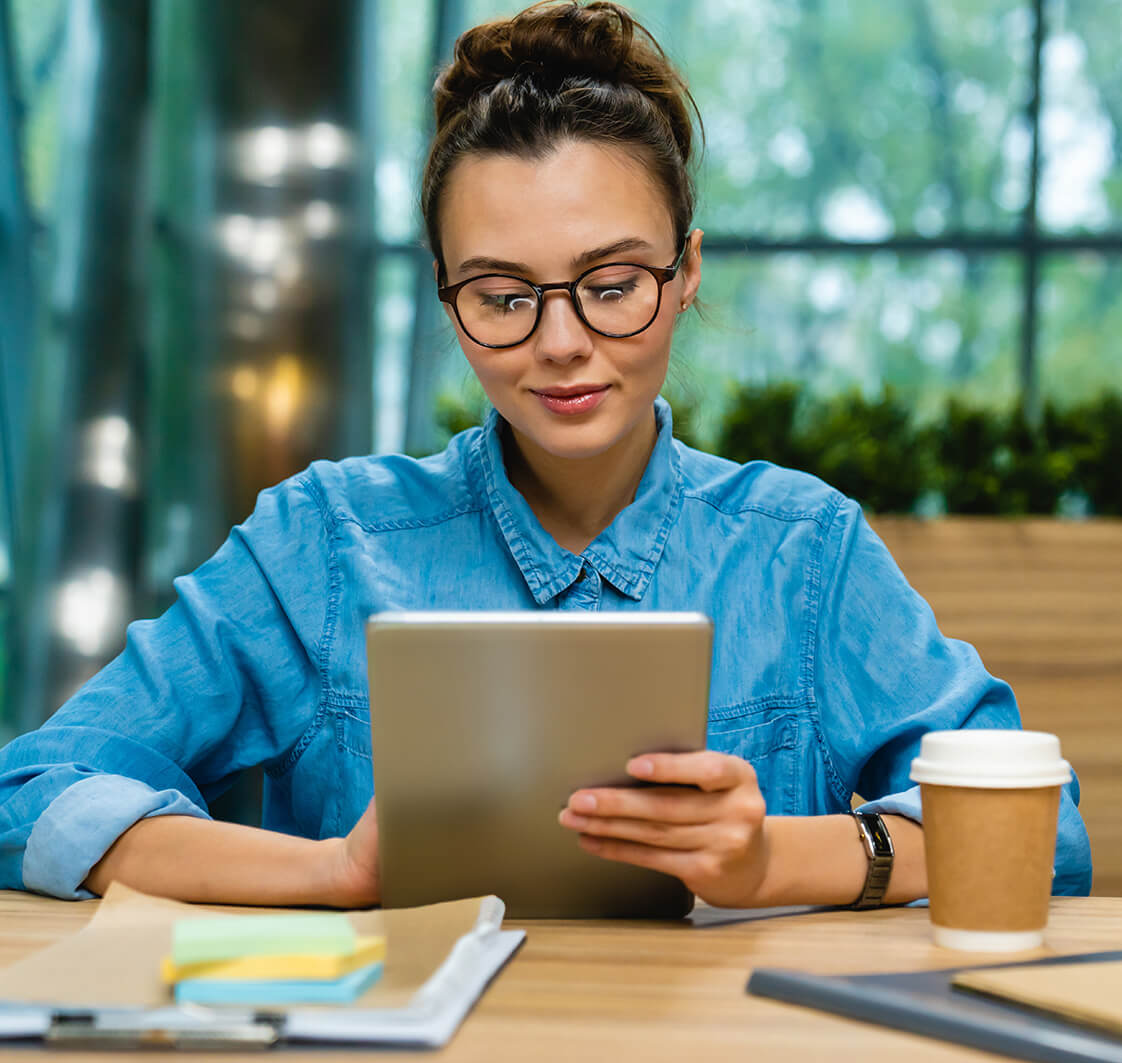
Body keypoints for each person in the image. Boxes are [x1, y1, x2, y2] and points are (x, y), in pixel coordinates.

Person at [0, 0, 1091, 909]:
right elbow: (36, 787)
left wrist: (777, 858)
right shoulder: (323, 542)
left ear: (687, 268)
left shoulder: (803, 549)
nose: (561, 342)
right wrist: (334, 869)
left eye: (612, 285)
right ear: (445, 293)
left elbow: (1044, 830)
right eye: (503, 295)